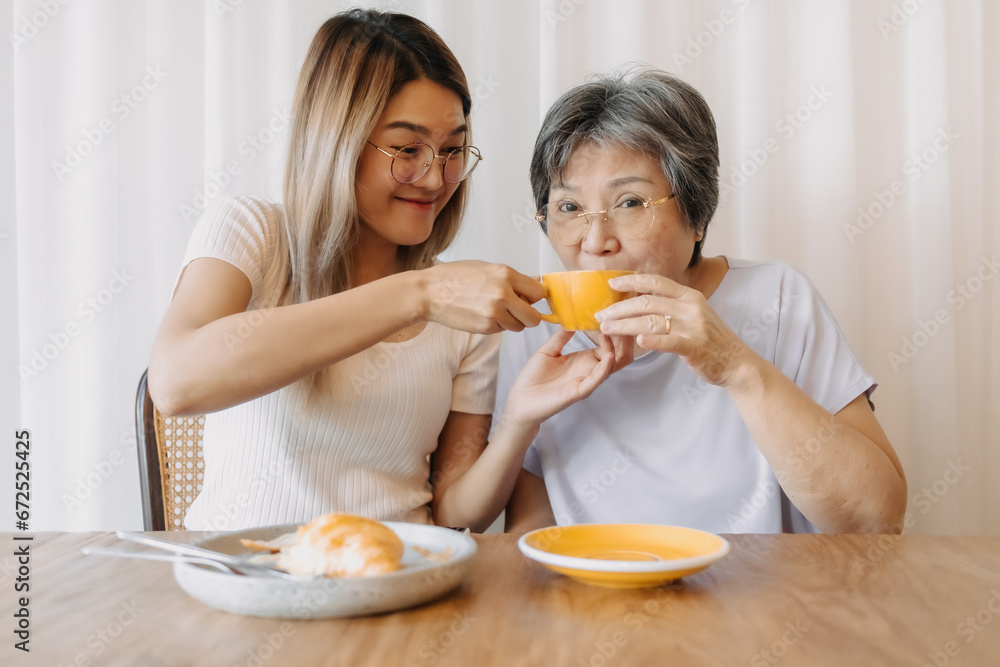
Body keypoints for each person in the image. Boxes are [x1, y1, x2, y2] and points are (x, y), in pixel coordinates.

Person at [148, 9, 616, 533]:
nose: (436, 177)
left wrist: (521, 420)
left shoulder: (462, 309)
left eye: (453, 150)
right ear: (337, 139)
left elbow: (456, 511)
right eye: (407, 148)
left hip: (399, 586)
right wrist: (420, 292)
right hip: (247, 586)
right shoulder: (253, 232)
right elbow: (176, 382)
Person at [499, 69, 907, 535]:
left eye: (630, 202)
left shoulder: (777, 299)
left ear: (696, 214)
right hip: (595, 600)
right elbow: (528, 534)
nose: (595, 242)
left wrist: (736, 366)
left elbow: (878, 518)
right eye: (569, 208)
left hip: (766, 603)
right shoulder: (533, 328)